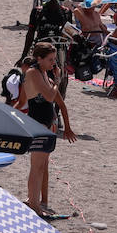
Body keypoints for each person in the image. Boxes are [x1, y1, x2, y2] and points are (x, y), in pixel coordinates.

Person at [21, 41, 76, 217]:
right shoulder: (33, 73)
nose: (54, 63)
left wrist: (67, 127)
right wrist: (58, 80)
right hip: (38, 124)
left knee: (43, 167)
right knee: (36, 167)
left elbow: (60, 103)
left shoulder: (46, 76)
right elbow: (50, 95)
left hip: (48, 124)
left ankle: (40, 202)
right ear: (39, 58)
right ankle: (34, 204)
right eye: (51, 59)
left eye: (54, 59)